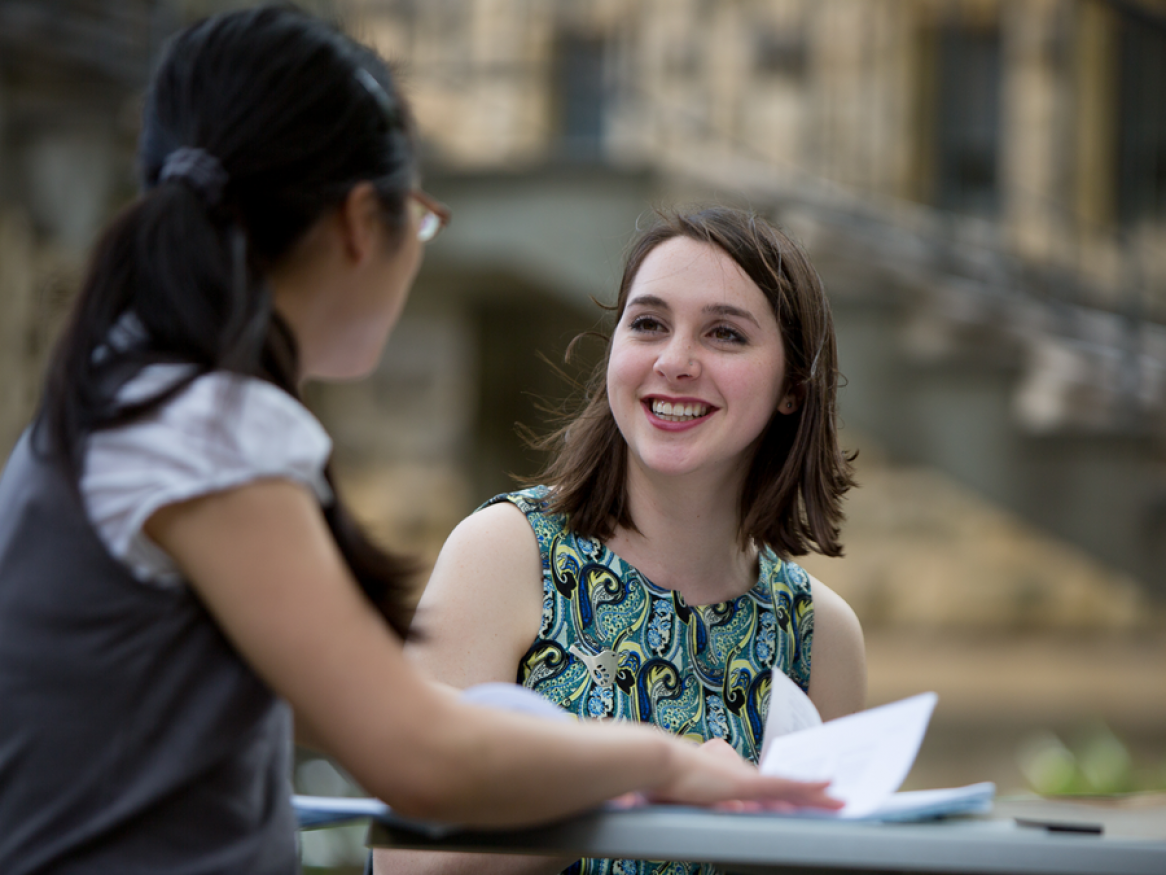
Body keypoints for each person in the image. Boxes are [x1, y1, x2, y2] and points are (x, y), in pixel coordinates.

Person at [0, 10, 841, 875]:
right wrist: (667, 762)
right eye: (422, 219)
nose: (676, 361)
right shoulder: (201, 435)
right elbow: (416, 756)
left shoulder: (147, 401)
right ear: (366, 222)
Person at [375, 206, 867, 875]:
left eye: (724, 333)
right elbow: (406, 864)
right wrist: (633, 786)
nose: (674, 361)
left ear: (792, 387)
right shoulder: (506, 554)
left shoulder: (822, 633)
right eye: (648, 324)